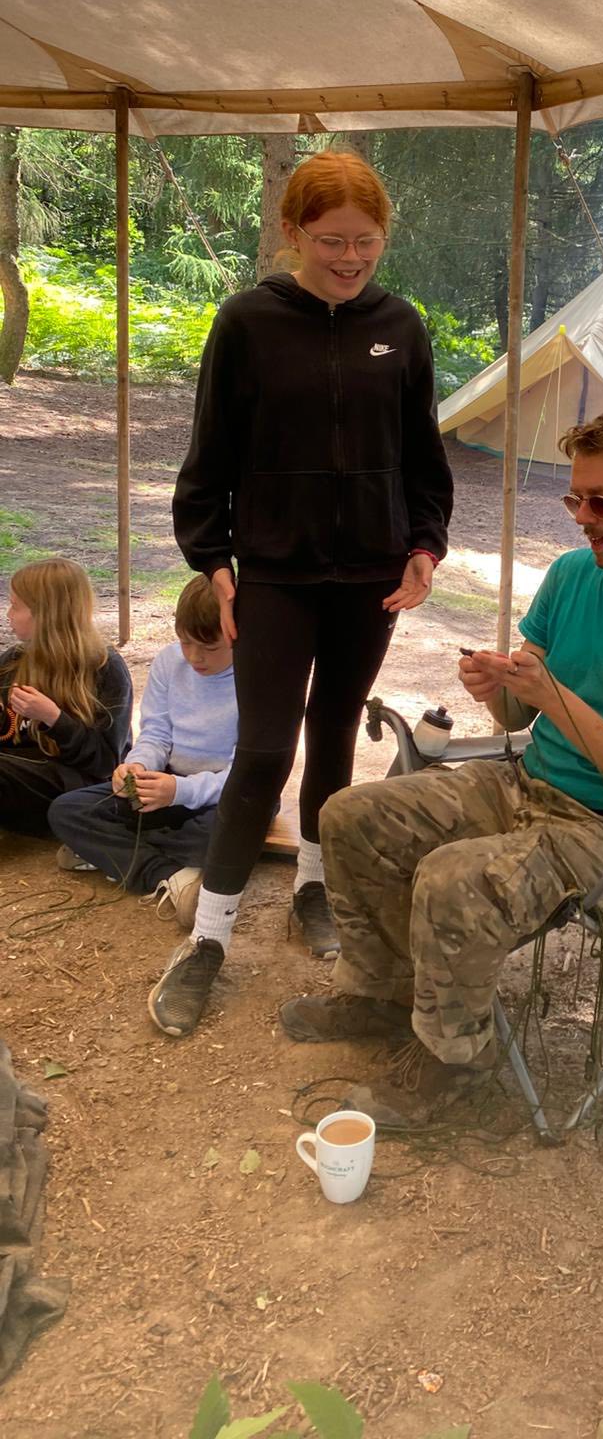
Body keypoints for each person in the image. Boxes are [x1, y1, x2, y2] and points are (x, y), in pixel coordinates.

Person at [278, 407, 603, 1125]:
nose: (582, 519)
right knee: (351, 816)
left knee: (454, 878)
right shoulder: (571, 576)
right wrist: (496, 688)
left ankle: (455, 1062)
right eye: (574, 499)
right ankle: (381, 994)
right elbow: (516, 719)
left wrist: (553, 695)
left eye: (601, 502)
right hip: (534, 784)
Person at [157, 150, 454, 1038]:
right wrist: (216, 563)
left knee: (335, 731)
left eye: (367, 241)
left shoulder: (400, 327)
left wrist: (425, 548)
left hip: (370, 579)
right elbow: (208, 460)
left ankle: (314, 890)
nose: (351, 258)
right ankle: (208, 940)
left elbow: (423, 460)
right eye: (332, 241)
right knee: (262, 752)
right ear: (292, 233)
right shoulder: (246, 322)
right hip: (276, 576)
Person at [48, 574, 236, 923]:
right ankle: (172, 875)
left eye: (210, 648)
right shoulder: (169, 661)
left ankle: (109, 851)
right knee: (67, 810)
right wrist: (137, 766)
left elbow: (246, 774)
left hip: (229, 792)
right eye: (185, 642)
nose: (195, 657)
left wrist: (180, 791)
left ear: (236, 635)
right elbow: (156, 734)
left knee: (223, 834)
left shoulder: (256, 679)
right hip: (167, 782)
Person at [1, 559, 132, 833]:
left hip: (75, 786)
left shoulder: (104, 666)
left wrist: (53, 718)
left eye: (15, 605)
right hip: (20, 770)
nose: (8, 614)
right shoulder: (14, 661)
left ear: (45, 613)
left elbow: (105, 762)